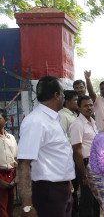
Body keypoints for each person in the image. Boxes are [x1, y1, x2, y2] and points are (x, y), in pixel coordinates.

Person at [17, 76, 75, 216]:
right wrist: (27, 206)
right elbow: (24, 163)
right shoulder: (36, 122)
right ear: (56, 95)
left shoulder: (54, 119)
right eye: (62, 93)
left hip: (62, 189)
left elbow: (57, 155)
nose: (63, 97)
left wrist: (67, 181)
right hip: (48, 192)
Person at [70, 95, 100, 217]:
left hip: (96, 164)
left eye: (91, 105)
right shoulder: (77, 124)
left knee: (96, 199)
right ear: (79, 108)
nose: (89, 108)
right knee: (87, 199)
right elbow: (77, 151)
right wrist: (84, 175)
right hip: (85, 165)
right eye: (85, 105)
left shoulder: (93, 122)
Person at [59, 90, 79, 217]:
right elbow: (63, 137)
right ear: (68, 102)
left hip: (76, 154)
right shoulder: (63, 116)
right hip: (70, 155)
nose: (77, 102)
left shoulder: (74, 114)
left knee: (75, 188)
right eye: (75, 100)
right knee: (72, 189)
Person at [0, 109, 17, 217]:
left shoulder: (11, 138)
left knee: (10, 204)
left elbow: (16, 158)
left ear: (6, 120)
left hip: (11, 174)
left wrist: (17, 177)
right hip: (0, 175)